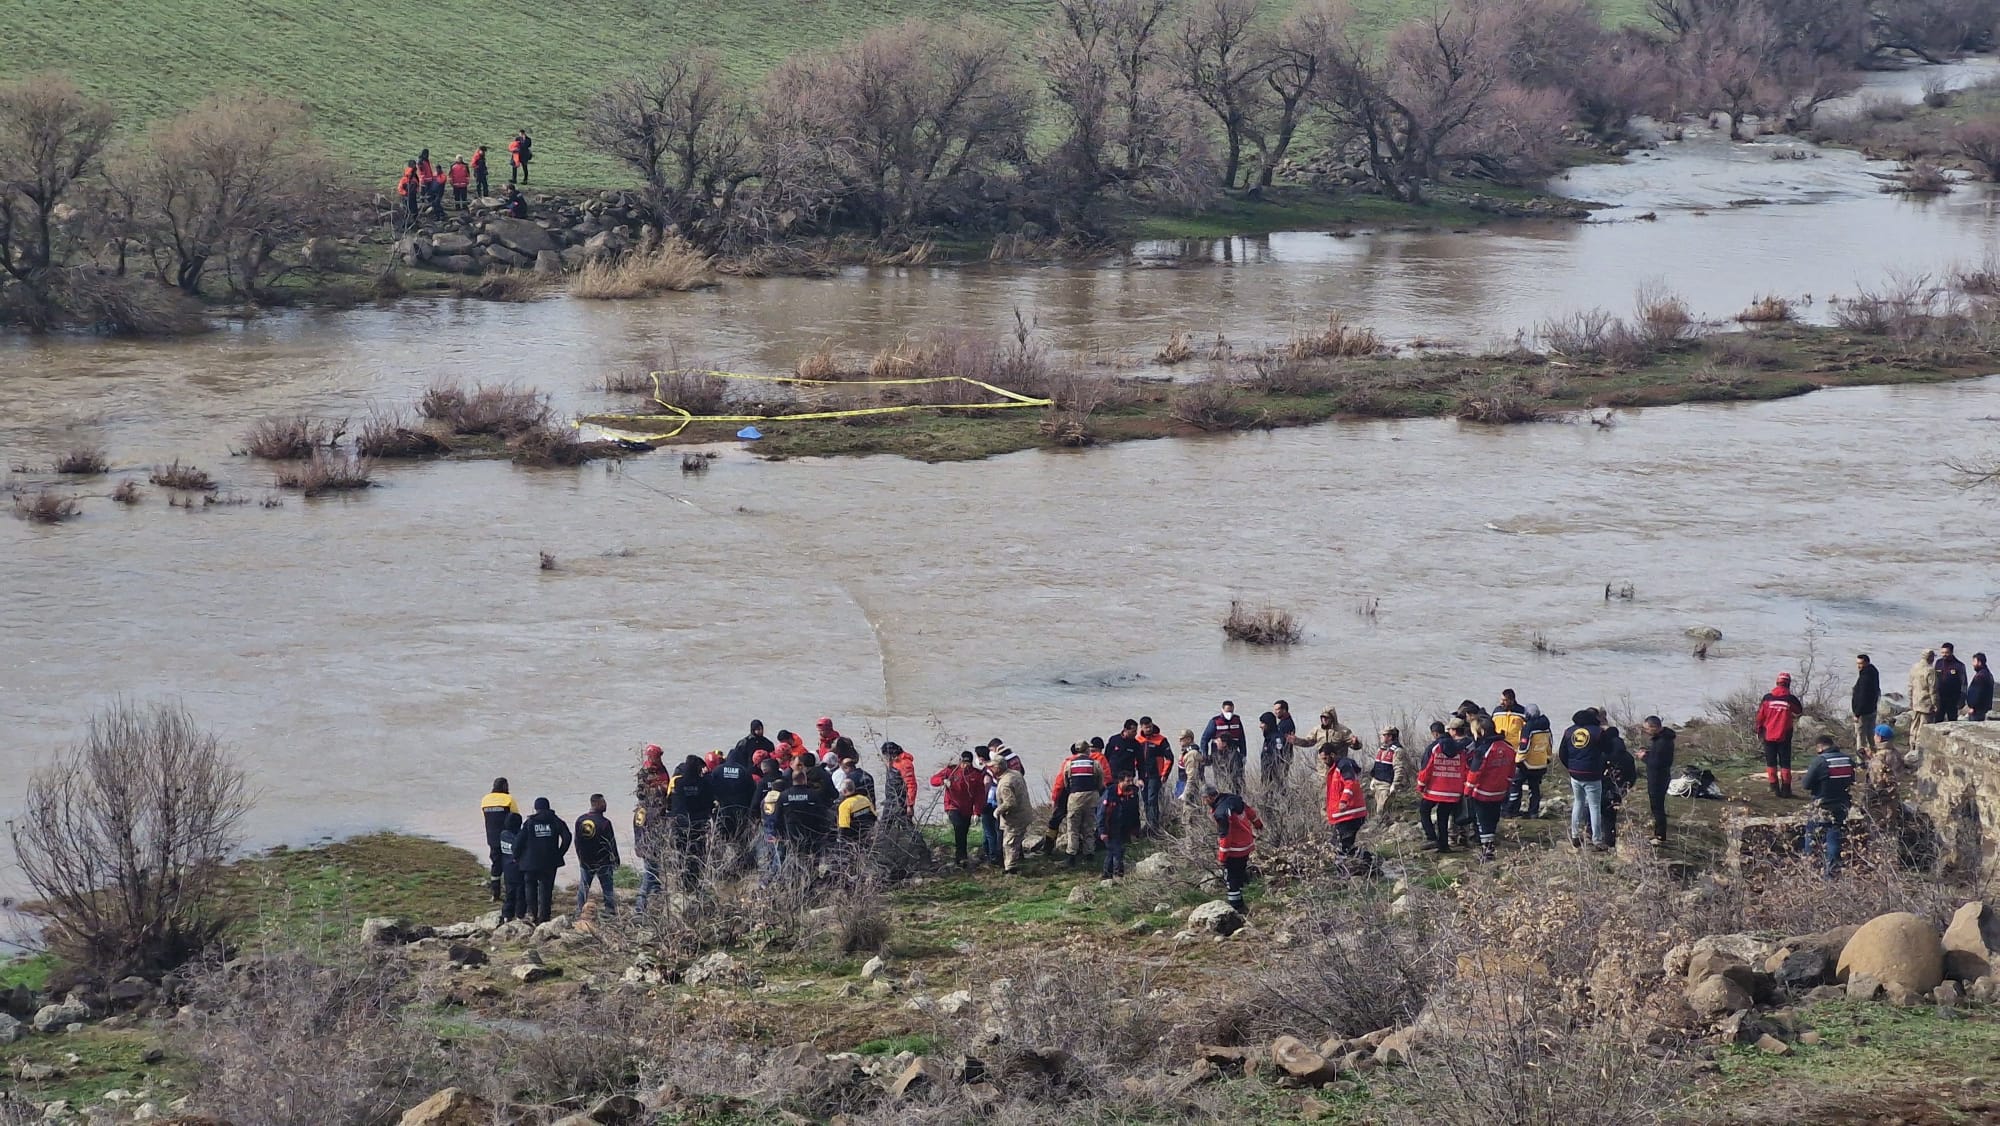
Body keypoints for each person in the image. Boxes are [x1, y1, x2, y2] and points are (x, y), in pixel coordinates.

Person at [1801, 734, 1857, 876]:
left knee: (1811, 835)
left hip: (1823, 805)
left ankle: (1810, 869)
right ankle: (1832, 873)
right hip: (1842, 804)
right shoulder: (1847, 759)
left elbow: (1806, 784)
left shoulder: (1820, 761)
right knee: (1834, 836)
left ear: (1820, 747)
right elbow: (1852, 780)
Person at [1205, 786, 1264, 915]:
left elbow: (1225, 837)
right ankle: (1244, 883)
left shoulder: (1221, 813)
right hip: (1247, 844)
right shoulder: (1234, 800)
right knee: (1240, 871)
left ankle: (1237, 908)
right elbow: (1250, 812)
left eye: (1204, 799)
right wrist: (1258, 824)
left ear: (1209, 797)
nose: (1204, 802)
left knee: (1231, 881)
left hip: (1235, 849)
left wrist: (1222, 857)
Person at [1465, 715, 1515, 862]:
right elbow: (1512, 769)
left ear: (1481, 732)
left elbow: (1475, 772)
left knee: (1482, 822)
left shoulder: (1484, 749)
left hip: (1482, 792)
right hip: (1500, 791)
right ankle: (1490, 845)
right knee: (1493, 819)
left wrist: (1467, 791)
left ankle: (1487, 851)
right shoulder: (1508, 747)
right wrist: (1508, 785)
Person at [1049, 742, 1105, 866]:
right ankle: (1089, 854)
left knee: (1073, 828)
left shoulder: (1069, 764)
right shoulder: (1095, 764)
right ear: (1087, 750)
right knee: (1089, 827)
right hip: (1092, 797)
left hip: (1075, 798)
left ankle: (1071, 856)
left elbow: (1065, 782)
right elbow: (1101, 782)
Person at [516, 797, 571, 923]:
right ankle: (544, 917)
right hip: (550, 862)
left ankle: (532, 914)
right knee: (546, 889)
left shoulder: (530, 822)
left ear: (536, 808)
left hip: (530, 862)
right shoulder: (556, 821)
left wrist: (516, 856)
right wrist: (559, 853)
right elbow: (567, 837)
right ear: (548, 807)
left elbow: (519, 841)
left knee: (530, 887)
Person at [1558, 710, 1607, 849]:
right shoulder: (1598, 732)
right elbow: (1607, 749)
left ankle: (1574, 835)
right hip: (1592, 774)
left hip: (1575, 773)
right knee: (1594, 806)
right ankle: (1597, 839)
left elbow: (1562, 753)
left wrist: (1570, 767)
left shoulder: (1568, 731)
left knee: (1578, 802)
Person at [1416, 722, 1467, 853]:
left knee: (1424, 810)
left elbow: (1426, 768)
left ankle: (1431, 837)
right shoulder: (1459, 748)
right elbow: (1465, 768)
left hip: (1435, 789)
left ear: (1435, 733)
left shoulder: (1434, 747)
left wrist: (1421, 786)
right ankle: (1444, 845)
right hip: (1454, 790)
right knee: (1443, 816)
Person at [931, 751, 986, 867]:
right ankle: (960, 856)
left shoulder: (976, 775)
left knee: (964, 832)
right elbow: (933, 780)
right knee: (958, 827)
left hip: (967, 808)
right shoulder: (951, 771)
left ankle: (961, 856)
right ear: (960, 761)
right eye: (963, 762)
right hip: (952, 805)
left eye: (967, 763)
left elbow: (979, 795)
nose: (965, 765)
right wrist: (943, 781)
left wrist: (977, 812)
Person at [667, 754, 713, 889]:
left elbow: (671, 803)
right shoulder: (704, 783)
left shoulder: (678, 783)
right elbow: (709, 802)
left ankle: (683, 884)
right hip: (698, 824)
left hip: (680, 825)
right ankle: (695, 883)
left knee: (682, 855)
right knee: (698, 855)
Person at [1755, 672, 1804, 798]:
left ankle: (1773, 788)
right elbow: (1799, 710)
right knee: (1785, 763)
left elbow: (1760, 716)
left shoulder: (1767, 698)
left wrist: (1759, 730)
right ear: (1788, 684)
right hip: (1785, 735)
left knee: (1771, 762)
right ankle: (1786, 789)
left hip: (1768, 734)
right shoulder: (1790, 699)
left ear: (1777, 683)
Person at [707, 740, 758, 858]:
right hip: (740, 812)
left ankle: (718, 865)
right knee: (741, 842)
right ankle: (743, 865)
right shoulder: (744, 772)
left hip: (722, 810)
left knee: (720, 841)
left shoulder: (717, 770)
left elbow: (710, 788)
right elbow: (752, 792)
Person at [573, 793, 620, 918]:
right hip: (602, 861)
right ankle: (610, 910)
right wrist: (615, 859)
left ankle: (579, 909)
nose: (605, 805)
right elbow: (611, 843)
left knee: (584, 887)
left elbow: (577, 841)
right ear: (597, 804)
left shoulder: (580, 820)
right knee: (607, 887)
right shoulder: (605, 823)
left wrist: (580, 857)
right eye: (603, 802)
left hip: (586, 860)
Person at [775, 767, 829, 867]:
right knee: (812, 860)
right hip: (811, 832)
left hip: (791, 833)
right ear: (804, 779)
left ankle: (796, 878)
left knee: (794, 859)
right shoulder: (813, 794)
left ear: (792, 780)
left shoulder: (784, 795)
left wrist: (780, 834)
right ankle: (812, 878)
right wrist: (823, 831)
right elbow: (822, 814)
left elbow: (778, 817)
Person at [1508, 705, 1553, 817]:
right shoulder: (1546, 727)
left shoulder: (1529, 727)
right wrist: (1547, 758)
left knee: (1515, 785)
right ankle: (1533, 812)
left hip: (1527, 764)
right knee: (1535, 788)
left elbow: (1524, 746)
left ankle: (1511, 811)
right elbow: (1550, 744)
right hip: (1541, 764)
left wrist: (1517, 760)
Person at [480, 778, 520, 902]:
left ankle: (495, 894)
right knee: (510, 864)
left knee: (496, 864)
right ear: (505, 786)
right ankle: (511, 893)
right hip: (507, 838)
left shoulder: (485, 800)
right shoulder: (509, 799)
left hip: (492, 837)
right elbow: (516, 817)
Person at [1600, 713, 1636, 848]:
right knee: (1612, 816)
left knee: (1602, 815)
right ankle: (1611, 841)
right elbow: (1633, 775)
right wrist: (1627, 787)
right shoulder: (1628, 756)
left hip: (1605, 788)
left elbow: (1599, 771)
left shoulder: (1604, 754)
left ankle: (1602, 840)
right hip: (1620, 789)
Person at [1640, 716, 1677, 846]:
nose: (1646, 731)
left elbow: (1656, 763)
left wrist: (1644, 757)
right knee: (1656, 806)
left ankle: (1660, 836)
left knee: (1657, 807)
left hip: (1658, 778)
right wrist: (1649, 754)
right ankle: (1657, 833)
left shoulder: (1662, 742)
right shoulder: (1662, 739)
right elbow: (1658, 758)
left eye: (1647, 728)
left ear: (1654, 727)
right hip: (1660, 776)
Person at [1323, 747, 1367, 856]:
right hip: (1343, 816)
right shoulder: (1334, 769)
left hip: (1349, 815)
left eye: (1325, 758)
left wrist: (1344, 801)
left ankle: (1365, 862)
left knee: (1344, 847)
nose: (1324, 762)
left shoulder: (1343, 766)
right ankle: (1356, 863)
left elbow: (1350, 783)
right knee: (1339, 846)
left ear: (1332, 755)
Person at [1097, 772, 1142, 878]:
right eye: (1128, 781)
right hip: (1110, 827)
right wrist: (1102, 831)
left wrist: (1136, 829)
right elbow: (1101, 813)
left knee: (1114, 851)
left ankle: (1106, 874)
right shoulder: (1110, 793)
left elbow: (1135, 812)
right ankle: (1118, 875)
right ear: (1120, 781)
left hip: (1124, 827)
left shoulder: (1132, 793)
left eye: (1131, 780)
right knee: (1117, 851)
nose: (1130, 783)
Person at [994, 756, 1034, 873]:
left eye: (993, 766)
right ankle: (1012, 864)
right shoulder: (1016, 774)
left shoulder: (1005, 783)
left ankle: (1010, 869)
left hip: (1015, 817)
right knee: (1015, 841)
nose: (991, 768)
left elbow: (1010, 803)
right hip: (1025, 812)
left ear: (998, 767)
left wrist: (998, 811)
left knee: (1009, 843)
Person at [1201, 701, 1248, 792]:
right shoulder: (1215, 721)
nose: (1229, 713)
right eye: (1227, 711)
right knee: (1220, 779)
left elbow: (1242, 739)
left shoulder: (1237, 720)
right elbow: (1204, 739)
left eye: (1231, 711)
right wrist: (1205, 754)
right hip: (1218, 756)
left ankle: (1239, 796)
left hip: (1234, 755)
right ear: (1222, 710)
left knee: (1238, 779)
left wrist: (1243, 755)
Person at [1136, 720, 1173, 832]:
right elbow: (1134, 758)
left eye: (1150, 727)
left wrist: (1164, 774)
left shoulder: (1161, 740)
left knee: (1152, 799)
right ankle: (1148, 824)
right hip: (1142, 775)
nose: (1149, 729)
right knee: (1145, 800)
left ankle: (1154, 826)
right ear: (1141, 727)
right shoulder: (1138, 740)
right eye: (1146, 727)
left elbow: (1170, 758)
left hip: (1155, 775)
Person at [975, 748, 1004, 864]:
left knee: (989, 832)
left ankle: (992, 856)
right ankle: (990, 852)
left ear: (981, 758)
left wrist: (982, 802)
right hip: (998, 802)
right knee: (996, 830)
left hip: (989, 804)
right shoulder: (995, 768)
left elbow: (986, 785)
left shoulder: (987, 771)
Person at [1366, 726, 1401, 818]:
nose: (1381, 737)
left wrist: (1395, 784)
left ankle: (1384, 825)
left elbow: (1399, 769)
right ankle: (1383, 824)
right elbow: (1376, 766)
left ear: (1390, 737)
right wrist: (1373, 778)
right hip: (1377, 782)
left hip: (1386, 784)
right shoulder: (1381, 749)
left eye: (1384, 735)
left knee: (1382, 809)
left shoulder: (1397, 751)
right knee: (1378, 808)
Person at [497, 811, 525, 921]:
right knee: (520, 894)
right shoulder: (519, 836)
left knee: (509, 893)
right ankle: (519, 915)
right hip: (518, 868)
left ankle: (507, 915)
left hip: (507, 869)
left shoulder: (503, 834)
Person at [1266, 699, 1299, 790]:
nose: (1275, 712)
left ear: (1284, 710)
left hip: (1283, 757)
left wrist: (1278, 757)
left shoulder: (1287, 724)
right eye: (1275, 709)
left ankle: (1282, 799)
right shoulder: (1283, 722)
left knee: (1280, 782)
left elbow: (1282, 742)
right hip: (1282, 757)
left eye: (1278, 709)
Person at [1851, 654, 1882, 753]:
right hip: (1872, 709)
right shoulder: (1874, 672)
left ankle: (1861, 761)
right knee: (1871, 735)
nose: (1858, 666)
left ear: (1866, 662)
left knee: (1861, 737)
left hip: (1863, 712)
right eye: (1857, 663)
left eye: (1860, 663)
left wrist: (1857, 713)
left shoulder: (1865, 677)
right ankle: (1874, 755)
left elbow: (1862, 697)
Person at [881, 741, 918, 819]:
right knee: (885, 826)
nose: (884, 759)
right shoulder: (893, 763)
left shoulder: (905, 764)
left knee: (906, 826)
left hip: (901, 802)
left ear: (891, 755)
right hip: (891, 801)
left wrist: (909, 805)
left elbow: (911, 785)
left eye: (885, 756)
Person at [1936, 643, 1969, 721]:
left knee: (1952, 719)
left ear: (1951, 652)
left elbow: (1964, 683)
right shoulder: (1938, 663)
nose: (1944, 655)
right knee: (1937, 720)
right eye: (1942, 653)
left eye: (1946, 653)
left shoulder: (1959, 665)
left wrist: (1962, 699)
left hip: (1953, 699)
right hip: (1940, 698)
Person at [1910, 649, 1939, 735]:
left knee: (1914, 725)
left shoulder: (1914, 667)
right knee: (1924, 727)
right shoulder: (1930, 670)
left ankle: (1912, 744)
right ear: (1930, 658)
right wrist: (1935, 704)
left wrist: (1910, 700)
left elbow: (1910, 686)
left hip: (1915, 701)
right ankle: (1920, 746)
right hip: (1926, 703)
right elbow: (1933, 689)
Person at [1175, 728, 1205, 802]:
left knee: (1189, 809)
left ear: (1189, 739)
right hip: (1182, 783)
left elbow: (1192, 777)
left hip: (1189, 787)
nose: (1179, 742)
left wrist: (1185, 794)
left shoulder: (1192, 754)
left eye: (1182, 739)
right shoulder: (1185, 752)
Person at [1968, 653, 1993, 722]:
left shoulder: (1980, 676)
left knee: (1973, 727)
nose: (1972, 664)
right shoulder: (1987, 673)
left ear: (1979, 662)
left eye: (1974, 661)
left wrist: (1973, 707)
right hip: (1982, 708)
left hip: (1977, 709)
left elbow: (1976, 693)